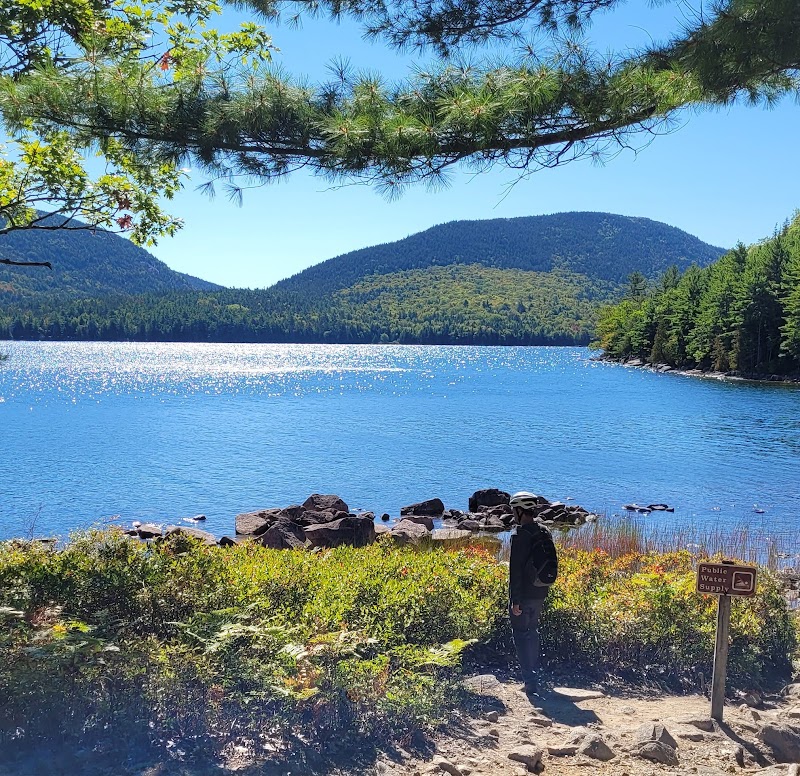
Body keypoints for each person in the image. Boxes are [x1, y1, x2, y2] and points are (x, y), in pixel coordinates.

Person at [508, 491, 559, 695]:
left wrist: (515, 600)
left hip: (525, 594)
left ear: (520, 511)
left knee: (521, 635)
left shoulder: (520, 535)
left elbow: (515, 570)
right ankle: (534, 677)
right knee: (533, 632)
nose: (512, 513)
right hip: (540, 591)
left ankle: (530, 682)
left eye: (513, 509)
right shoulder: (544, 531)